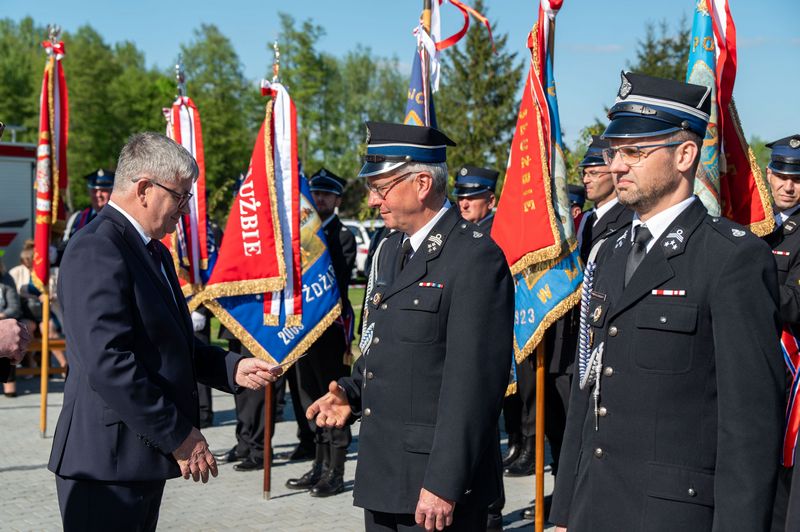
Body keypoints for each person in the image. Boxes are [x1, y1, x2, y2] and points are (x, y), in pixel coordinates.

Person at [549, 71, 783, 531]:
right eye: (615, 152)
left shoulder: (730, 258)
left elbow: (749, 427)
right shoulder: (610, 252)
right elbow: (587, 391)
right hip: (595, 508)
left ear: (685, 155)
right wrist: (564, 513)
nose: (617, 166)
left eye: (635, 152)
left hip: (673, 515)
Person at [47, 132, 278, 532]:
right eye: (180, 197)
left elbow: (169, 342)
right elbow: (109, 363)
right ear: (143, 189)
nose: (185, 210)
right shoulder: (98, 247)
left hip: (134, 458)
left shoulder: (154, 250)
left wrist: (232, 368)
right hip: (104, 465)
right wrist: (178, 435)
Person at [308, 122, 514, 531]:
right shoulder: (390, 250)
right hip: (384, 472)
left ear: (422, 184)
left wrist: (444, 482)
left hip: (436, 487)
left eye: (380, 188)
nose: (372, 200)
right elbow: (388, 346)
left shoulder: (474, 257)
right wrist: (352, 391)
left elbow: (474, 386)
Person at [286, 168, 355, 497]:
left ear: (338, 200)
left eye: (327, 194)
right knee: (309, 398)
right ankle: (318, 465)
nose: (320, 199)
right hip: (303, 330)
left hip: (330, 331)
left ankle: (335, 471)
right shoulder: (300, 235)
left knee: (332, 398)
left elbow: (337, 280)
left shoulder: (342, 236)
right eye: (316, 194)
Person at [764, 134, 800, 532]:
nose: (789, 187)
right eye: (783, 176)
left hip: (783, 371)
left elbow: (794, 303)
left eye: (798, 179)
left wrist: (748, 280)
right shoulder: (748, 221)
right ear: (769, 175)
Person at [576, 135, 634, 261]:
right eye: (584, 174)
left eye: (593, 173)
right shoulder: (583, 219)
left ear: (614, 173)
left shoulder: (630, 218)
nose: (585, 180)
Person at [62, 169, 114, 242]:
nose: (98, 195)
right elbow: (66, 244)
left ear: (112, 192)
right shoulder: (77, 218)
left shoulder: (118, 219)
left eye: (103, 190)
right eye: (94, 191)